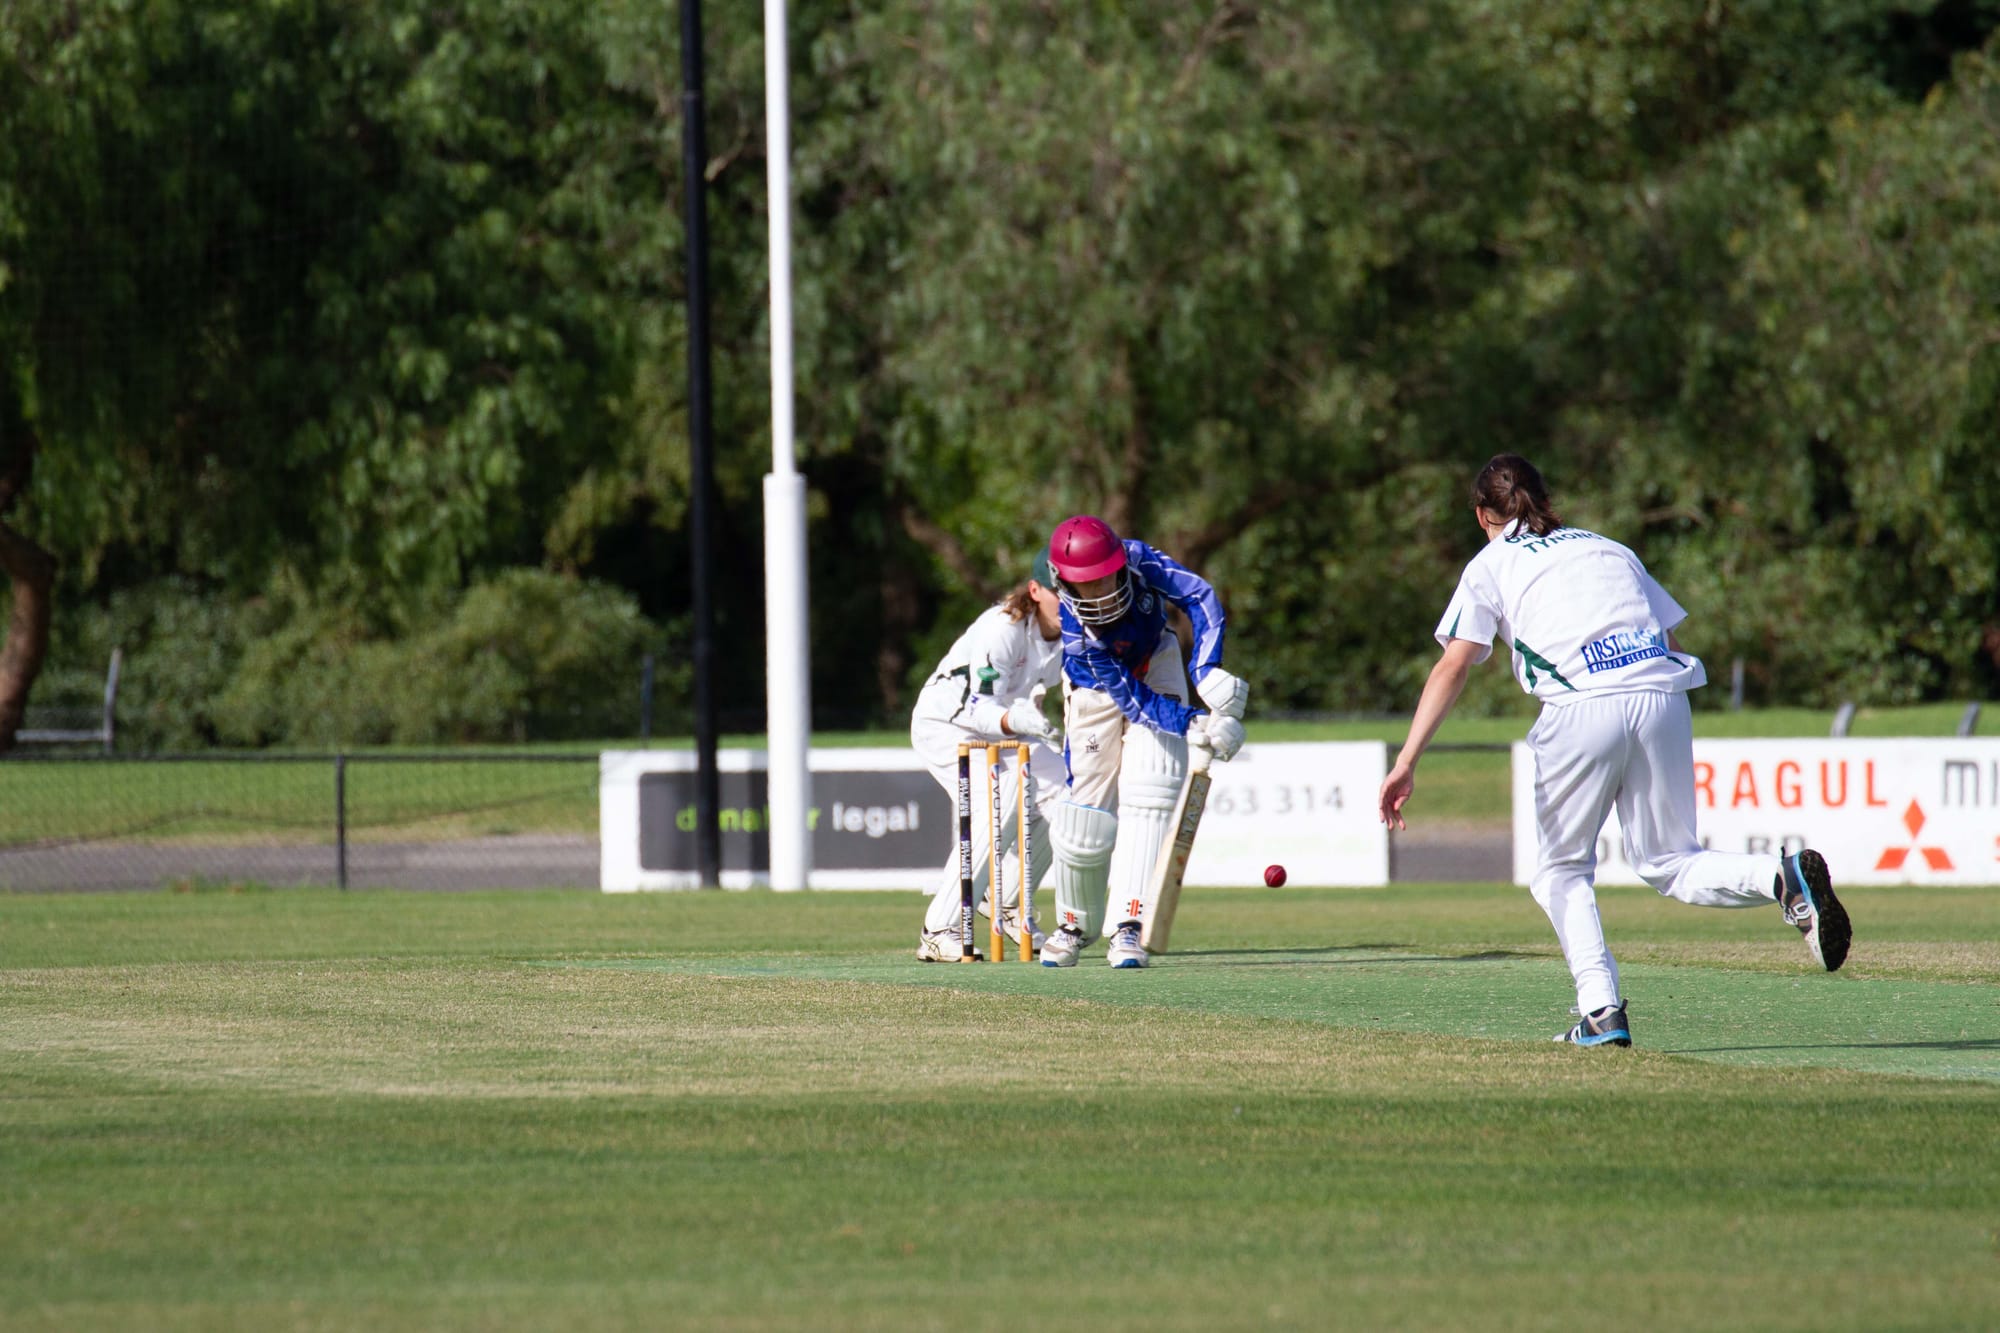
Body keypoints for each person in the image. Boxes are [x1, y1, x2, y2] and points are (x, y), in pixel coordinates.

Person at [1378, 454, 1853, 1048]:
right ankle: (1778, 876)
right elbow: (1671, 637)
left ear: (1482, 515)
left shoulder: (1490, 565)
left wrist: (1406, 761)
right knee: (1671, 860)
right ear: (1546, 498)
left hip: (1582, 707)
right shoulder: (1610, 548)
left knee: (1560, 871)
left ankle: (1601, 1010)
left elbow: (1455, 664)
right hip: (1661, 694)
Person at [1038, 515, 1248, 969]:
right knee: (1084, 820)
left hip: (1158, 657)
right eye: (1084, 585)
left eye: (1104, 579)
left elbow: (1200, 596)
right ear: (1062, 583)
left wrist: (1205, 670)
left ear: (1118, 563)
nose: (1098, 593)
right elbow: (1136, 704)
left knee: (1151, 787)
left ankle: (1129, 926)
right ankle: (1074, 925)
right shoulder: (1078, 637)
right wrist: (1198, 722)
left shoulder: (1139, 561)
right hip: (1096, 691)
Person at [909, 553, 1068, 961]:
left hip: (1009, 727)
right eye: (1059, 593)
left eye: (1076, 591)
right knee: (998, 805)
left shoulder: (1074, 634)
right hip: (948, 723)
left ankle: (1009, 901)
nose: (1068, 601)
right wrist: (1016, 716)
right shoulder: (1004, 629)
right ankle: (939, 929)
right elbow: (977, 706)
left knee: (1072, 794)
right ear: (1035, 591)